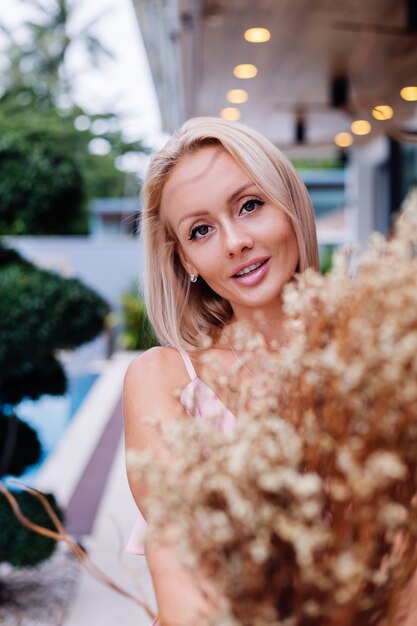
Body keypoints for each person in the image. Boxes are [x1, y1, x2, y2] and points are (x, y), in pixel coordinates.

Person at [123, 116, 319, 626]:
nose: (234, 242)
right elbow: (181, 567)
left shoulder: (378, 358)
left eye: (250, 205)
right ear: (185, 258)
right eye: (201, 230)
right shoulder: (166, 379)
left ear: (290, 205)